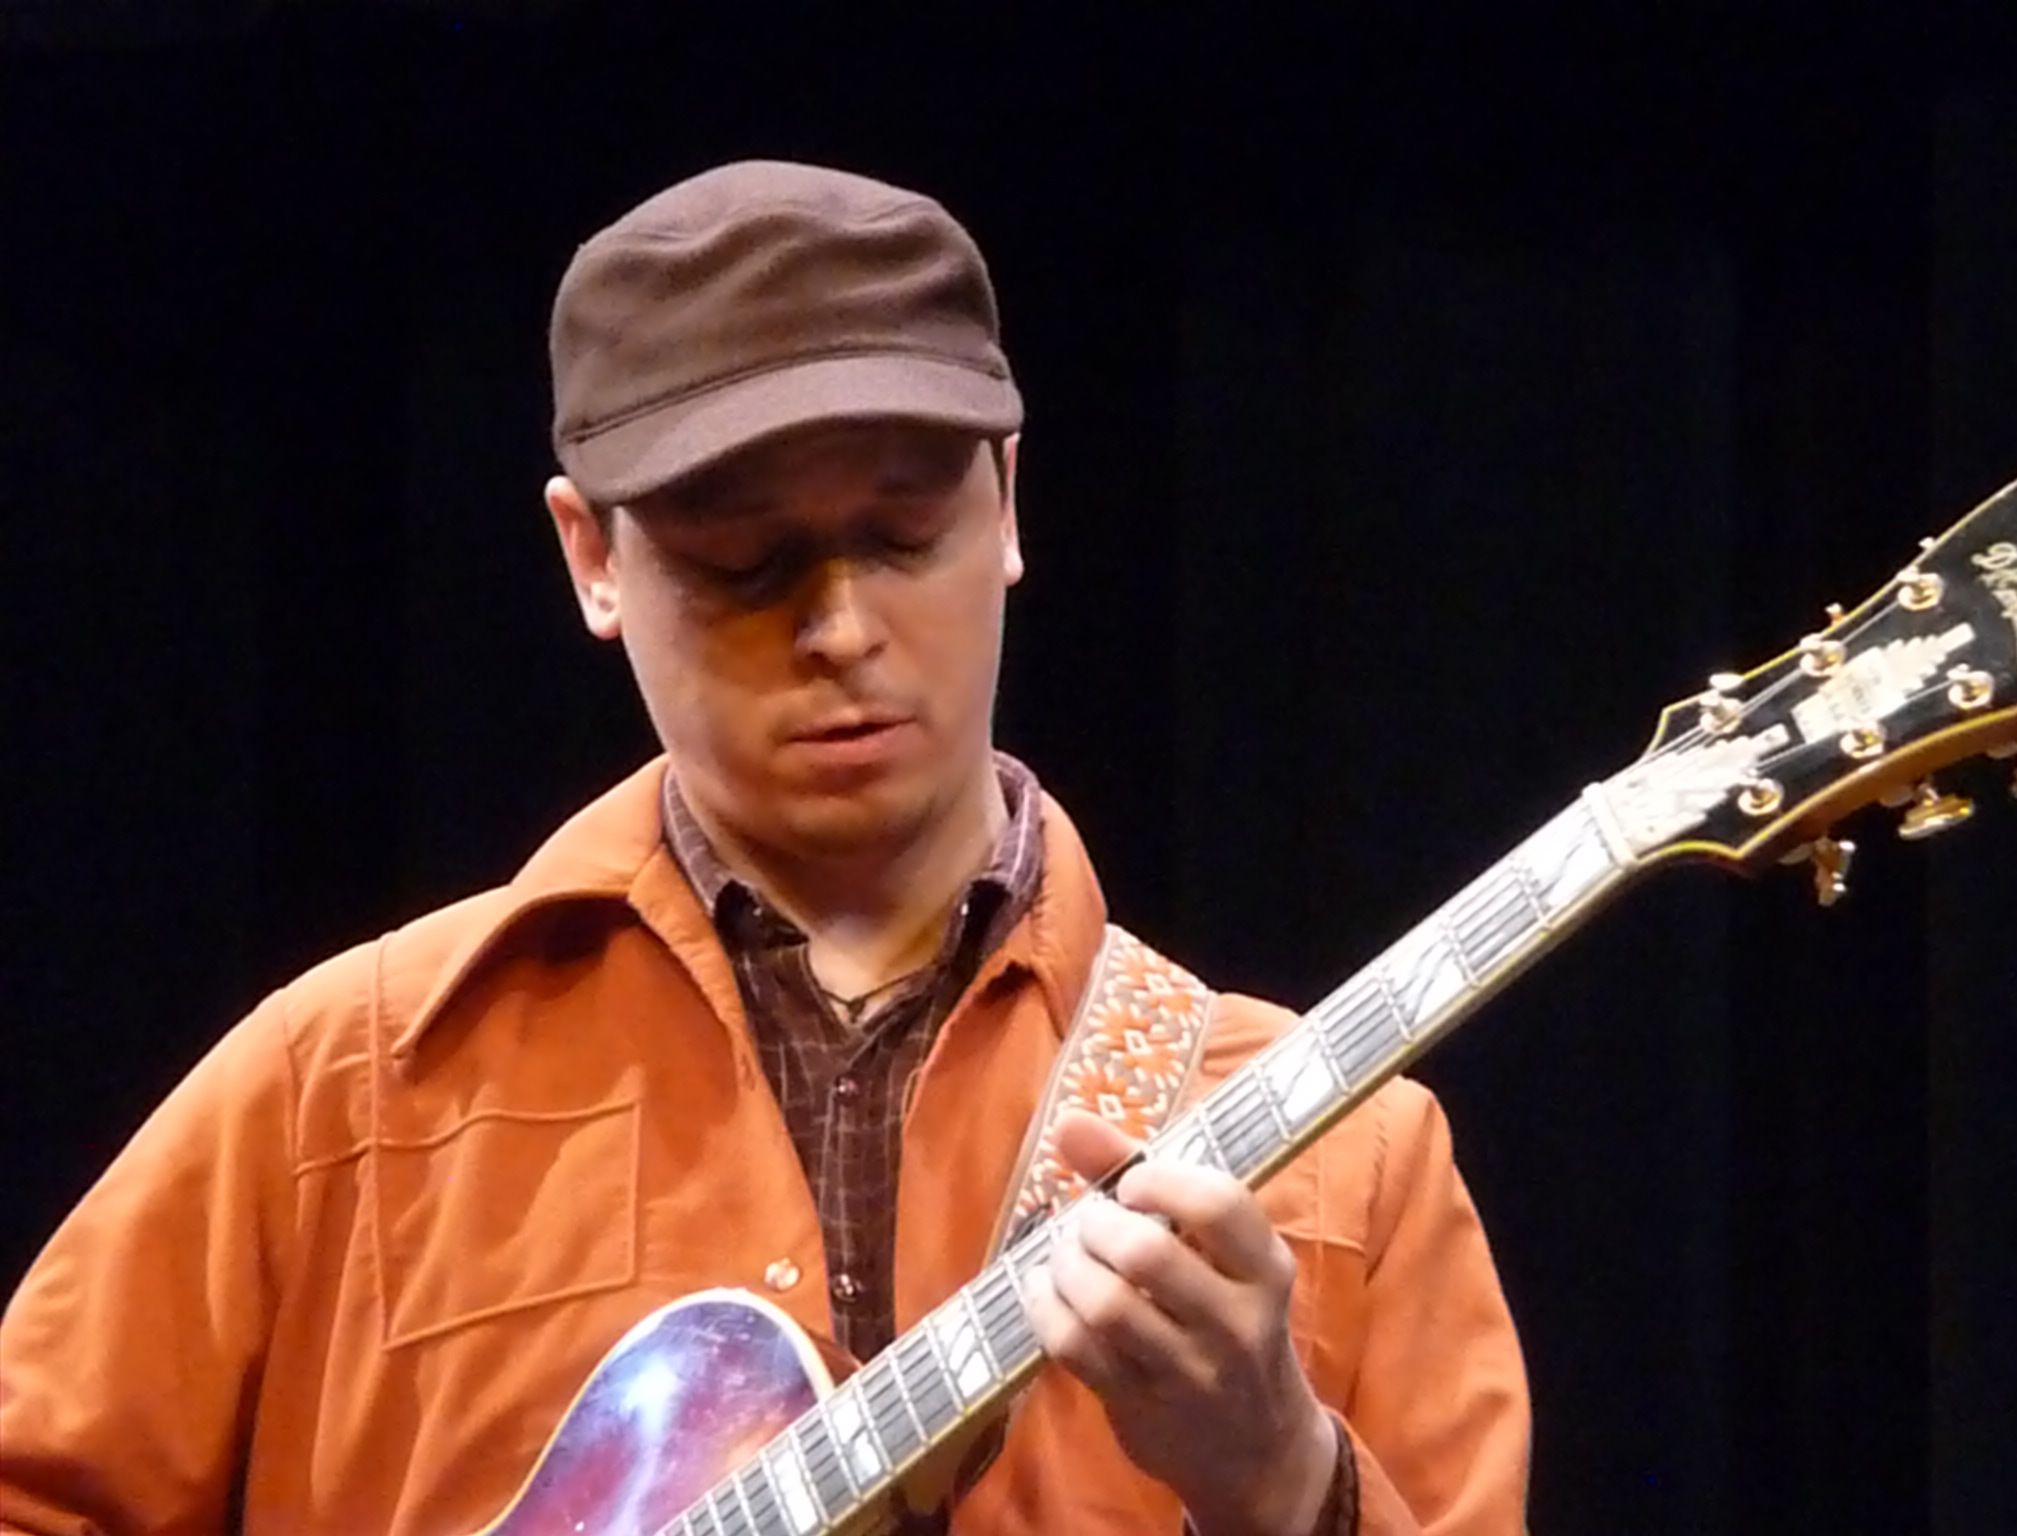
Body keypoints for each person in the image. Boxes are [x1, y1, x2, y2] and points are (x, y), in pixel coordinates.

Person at [0, 161, 1529, 1535]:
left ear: (1006, 504)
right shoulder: (340, 1091)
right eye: (747, 565)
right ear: (591, 559)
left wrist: (1280, 1485)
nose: (844, 628)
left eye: (904, 533)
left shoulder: (1344, 1162)